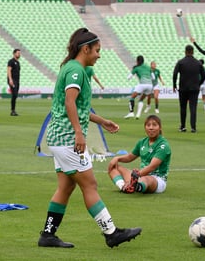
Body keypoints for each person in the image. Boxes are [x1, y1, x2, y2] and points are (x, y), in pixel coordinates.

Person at [38, 28, 141, 249]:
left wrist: (102, 121)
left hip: (58, 138)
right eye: (97, 50)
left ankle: (47, 235)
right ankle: (111, 233)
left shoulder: (73, 68)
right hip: (67, 139)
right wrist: (78, 132)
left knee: (65, 188)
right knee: (90, 185)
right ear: (85, 49)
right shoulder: (76, 71)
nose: (98, 55)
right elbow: (69, 103)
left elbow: (79, 108)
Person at [108, 115, 171, 194]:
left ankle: (136, 186)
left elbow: (152, 167)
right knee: (113, 166)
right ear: (145, 128)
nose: (151, 128)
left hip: (157, 179)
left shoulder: (163, 145)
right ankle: (124, 187)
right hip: (139, 176)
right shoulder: (142, 142)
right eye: (148, 125)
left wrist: (137, 175)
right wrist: (117, 159)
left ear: (160, 127)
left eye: (154, 125)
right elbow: (129, 157)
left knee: (147, 180)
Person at [173, 45, 205, 133]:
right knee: (193, 107)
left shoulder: (180, 62)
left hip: (183, 88)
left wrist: (174, 85)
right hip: (194, 88)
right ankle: (193, 127)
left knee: (183, 107)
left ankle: (183, 126)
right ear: (193, 52)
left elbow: (175, 74)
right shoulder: (198, 63)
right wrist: (199, 83)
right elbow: (203, 76)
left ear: (185, 51)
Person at [124, 55, 153, 119]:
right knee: (141, 99)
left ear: (137, 61)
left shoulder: (136, 68)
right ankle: (138, 115)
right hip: (150, 85)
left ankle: (131, 113)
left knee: (132, 97)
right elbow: (153, 77)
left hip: (142, 84)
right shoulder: (148, 67)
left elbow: (129, 77)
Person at [7, 48, 21, 116]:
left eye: (19, 53)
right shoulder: (11, 61)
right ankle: (12, 110)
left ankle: (13, 110)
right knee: (14, 94)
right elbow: (9, 70)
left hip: (17, 80)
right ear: (14, 53)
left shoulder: (18, 63)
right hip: (13, 80)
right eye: (18, 53)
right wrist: (10, 79)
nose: (19, 54)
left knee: (15, 95)